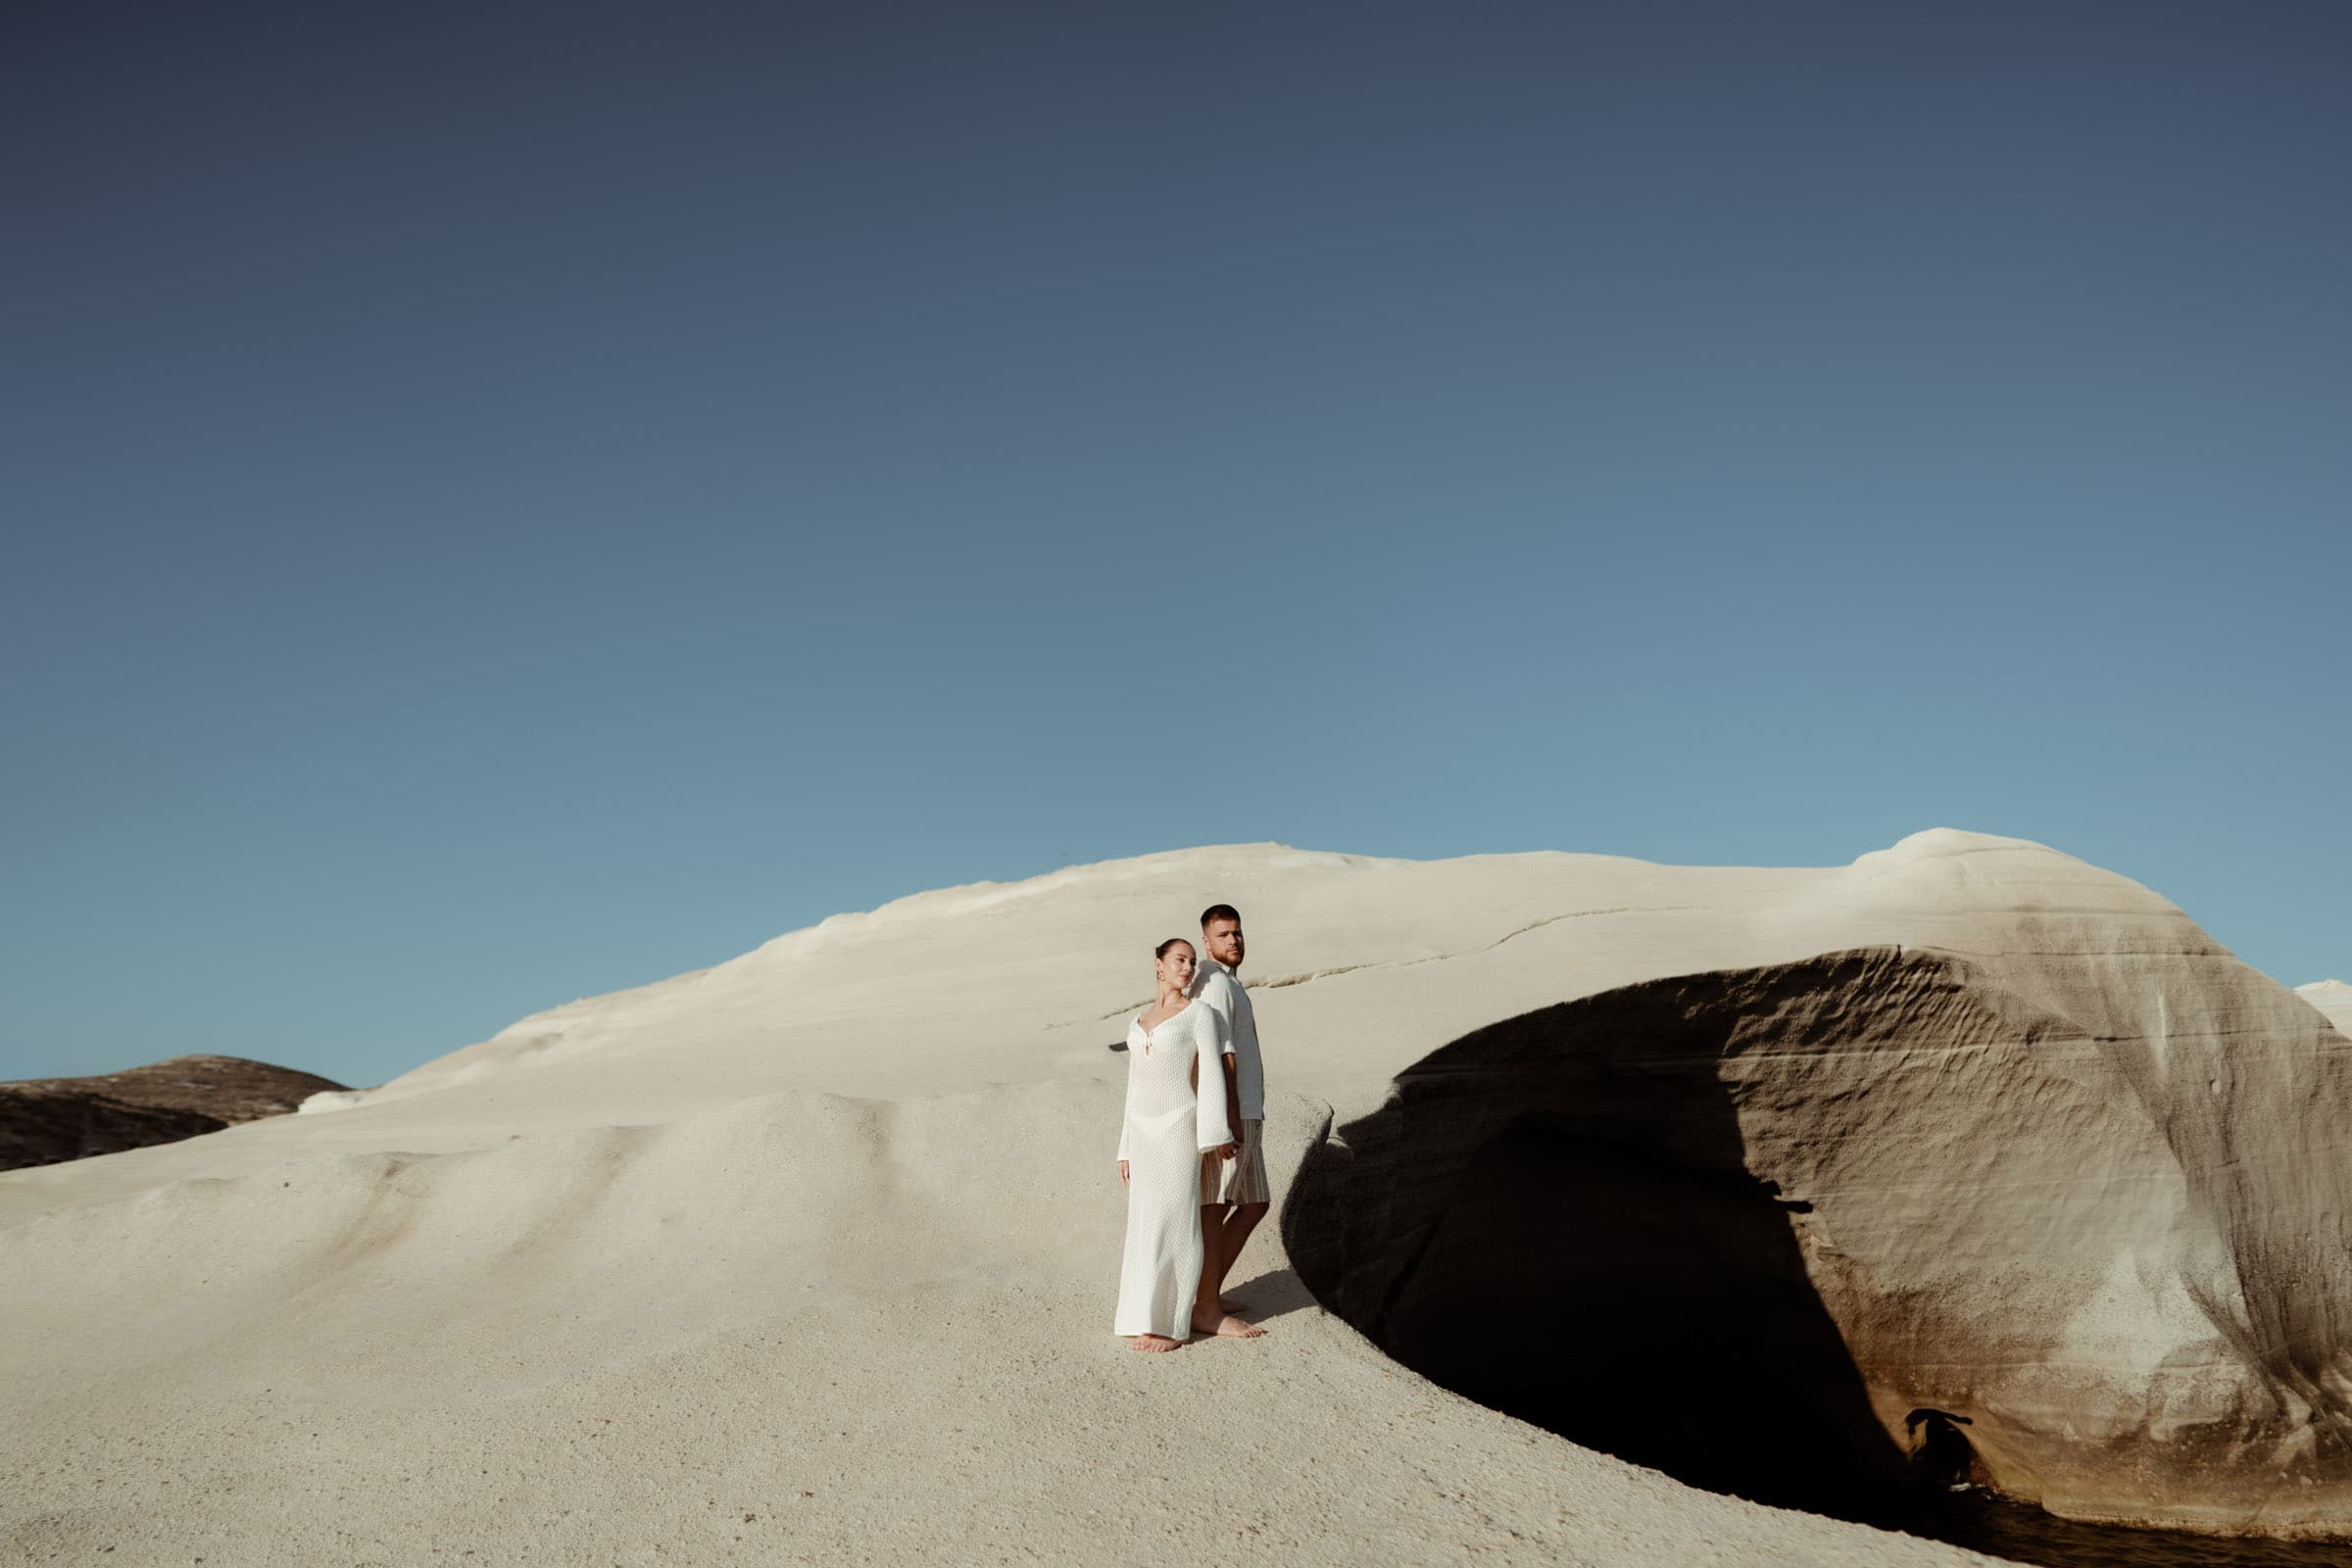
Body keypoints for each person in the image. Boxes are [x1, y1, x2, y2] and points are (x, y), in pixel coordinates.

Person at [1112, 938, 1259, 1349]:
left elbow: (1211, 1074)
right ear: (1158, 965)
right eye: (1179, 960)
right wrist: (1124, 1148)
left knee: (1178, 1221)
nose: (1188, 968)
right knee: (1144, 1224)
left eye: (1192, 962)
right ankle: (1141, 1317)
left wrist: (1216, 1134)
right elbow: (1133, 1088)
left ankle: (1171, 1325)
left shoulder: (1199, 1014)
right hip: (1142, 1133)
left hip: (1180, 1127)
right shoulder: (1138, 1022)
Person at [1191, 904, 1270, 1318]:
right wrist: (1228, 1118)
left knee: (1255, 1203)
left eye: (1237, 932)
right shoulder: (1215, 983)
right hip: (1234, 1114)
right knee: (1216, 1205)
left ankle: (1206, 1295)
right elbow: (1220, 1054)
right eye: (1223, 934)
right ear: (1206, 941)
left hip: (1248, 1110)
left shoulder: (1229, 982)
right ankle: (1204, 1307)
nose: (1233, 940)